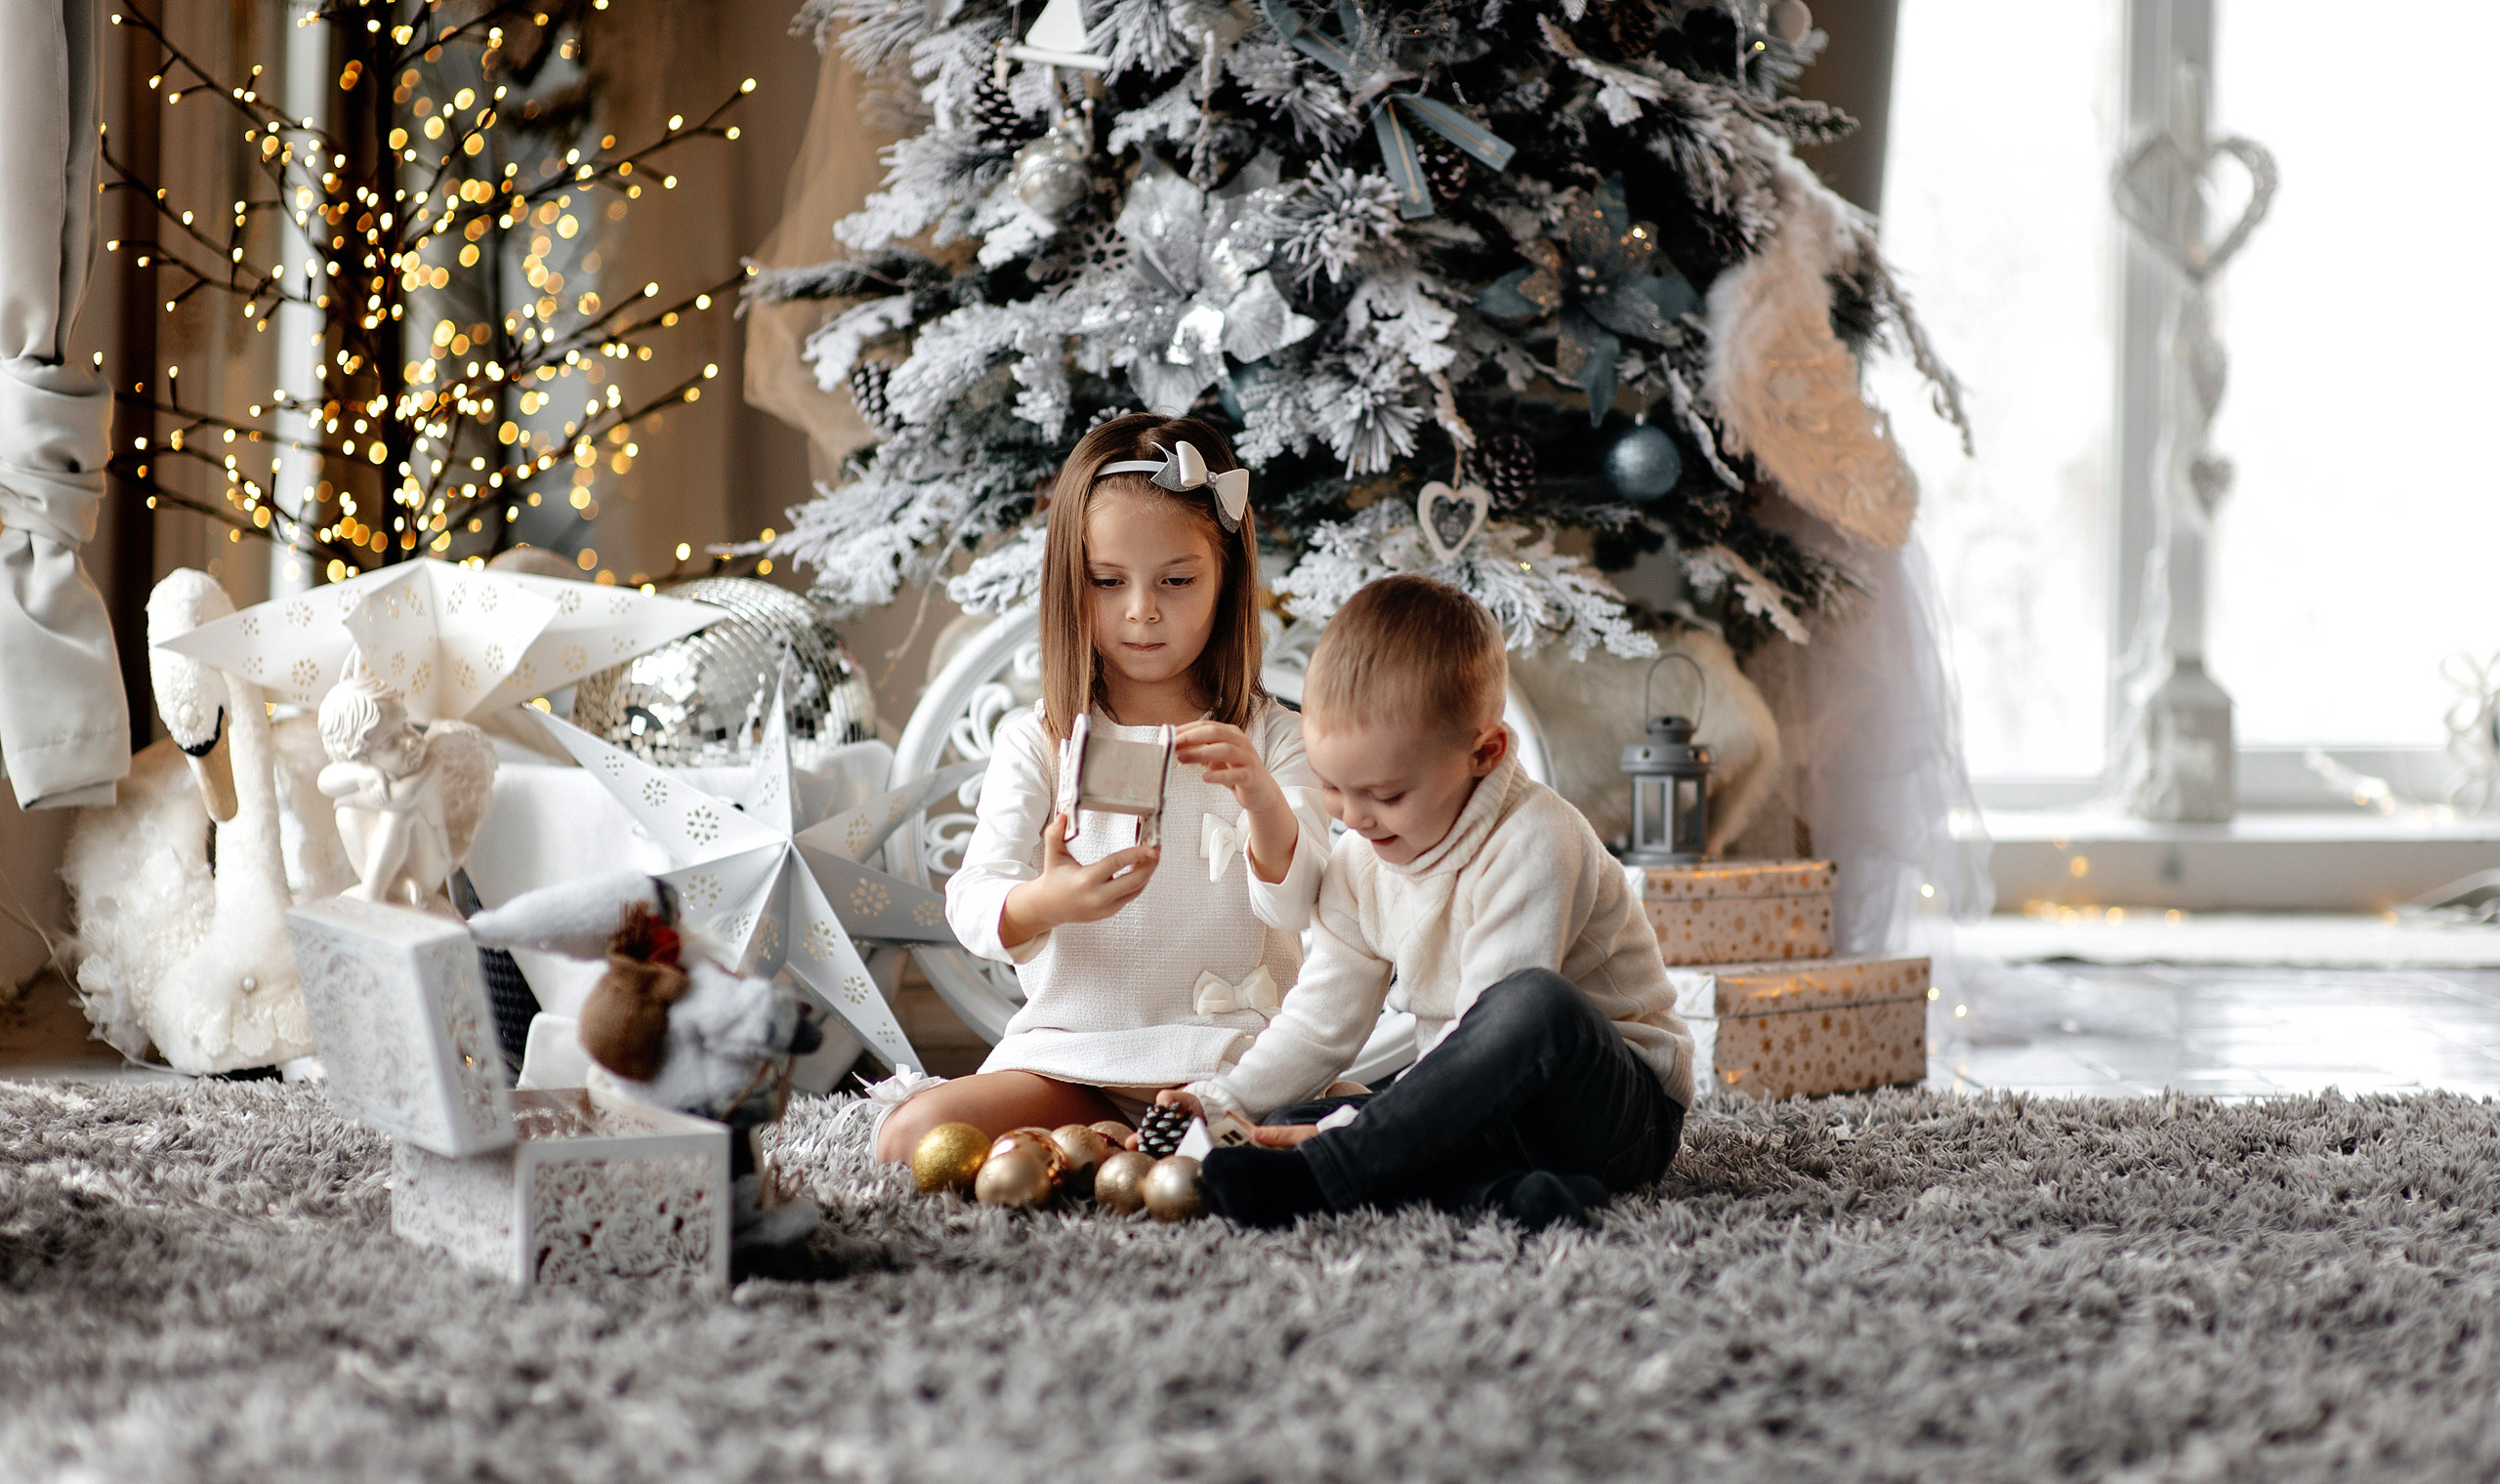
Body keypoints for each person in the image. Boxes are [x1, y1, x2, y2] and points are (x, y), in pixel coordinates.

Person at [1164, 575, 1698, 1231]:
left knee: (1532, 1001)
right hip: (1479, 1102)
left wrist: (1353, 1133)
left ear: (1485, 752)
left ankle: (1335, 1174)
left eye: (1387, 795)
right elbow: (1319, 1022)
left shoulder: (1534, 840)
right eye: (1333, 787)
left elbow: (1497, 1028)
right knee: (1280, 1121)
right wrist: (1222, 1100)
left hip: (1609, 1112)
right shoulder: (1362, 859)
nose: (1355, 818)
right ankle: (1511, 1196)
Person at [870, 414, 1331, 1163]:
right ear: (1070, 583)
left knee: (1372, 1135)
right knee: (909, 1139)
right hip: (1076, 1062)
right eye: (1108, 582)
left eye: (1177, 582)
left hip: (1237, 1064)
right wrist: (1045, 903)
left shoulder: (1273, 739)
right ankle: (1133, 1144)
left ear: (1226, 580)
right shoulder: (1041, 740)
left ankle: (1138, 1149)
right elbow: (975, 896)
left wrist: (1263, 804)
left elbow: (1302, 899)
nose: (1141, 610)